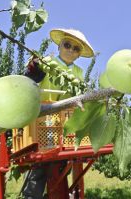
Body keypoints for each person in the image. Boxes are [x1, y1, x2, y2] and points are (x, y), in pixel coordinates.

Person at [22, 28, 94, 199]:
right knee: (42, 163)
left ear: (78, 55)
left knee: (62, 164)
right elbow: (29, 79)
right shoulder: (47, 63)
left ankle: (56, 193)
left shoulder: (79, 73)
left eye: (76, 48)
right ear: (59, 46)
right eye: (67, 45)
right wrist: (33, 71)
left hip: (67, 121)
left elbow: (79, 96)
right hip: (45, 119)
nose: (70, 50)